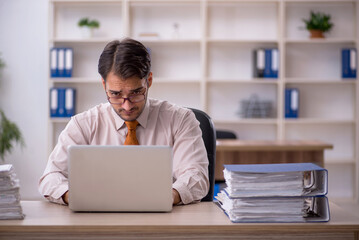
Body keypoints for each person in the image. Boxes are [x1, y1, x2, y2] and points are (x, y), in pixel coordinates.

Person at [39, 38, 209, 206]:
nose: (127, 105)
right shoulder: (83, 124)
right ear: (104, 85)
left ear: (148, 81)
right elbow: (51, 177)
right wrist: (78, 197)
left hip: (163, 221)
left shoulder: (181, 120)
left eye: (136, 93)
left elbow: (197, 176)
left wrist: (167, 197)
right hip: (99, 221)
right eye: (116, 94)